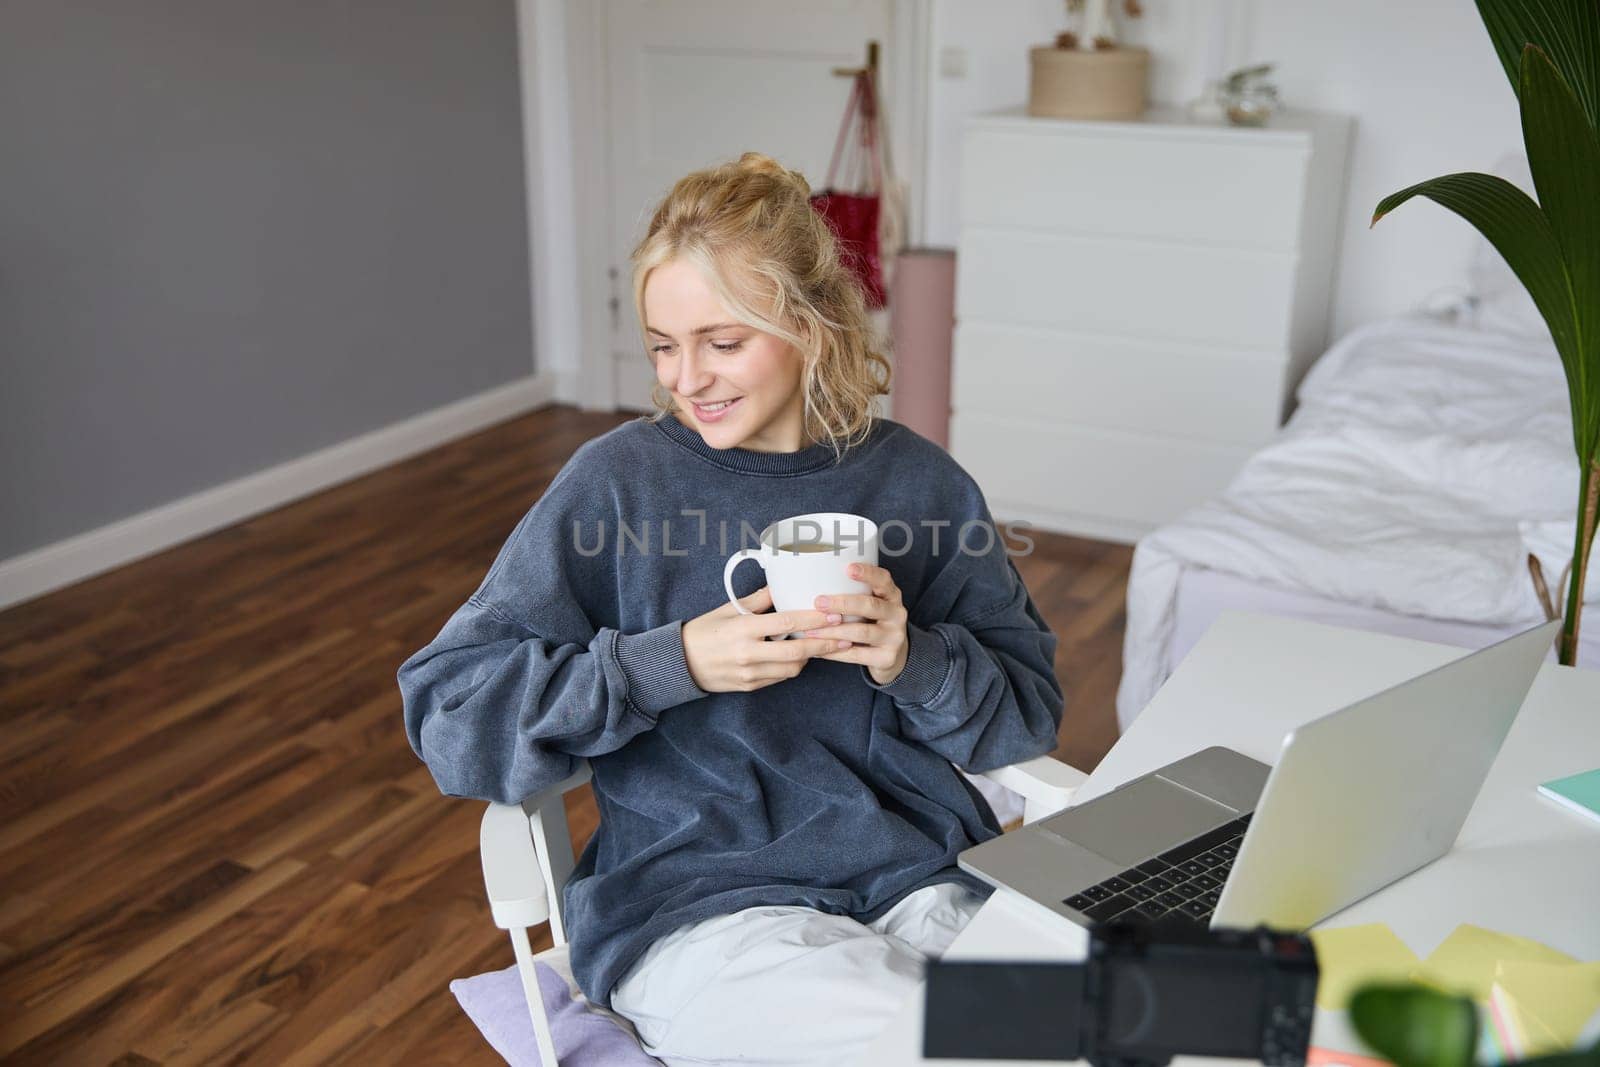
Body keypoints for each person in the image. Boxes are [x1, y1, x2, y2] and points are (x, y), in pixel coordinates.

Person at [398, 152, 1064, 1066]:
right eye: (664, 345)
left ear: (813, 324)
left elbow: (1028, 710)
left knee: (1087, 1026)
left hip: (915, 876)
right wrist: (668, 665)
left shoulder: (918, 483)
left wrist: (914, 657)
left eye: (723, 341)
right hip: (700, 905)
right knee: (942, 1046)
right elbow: (448, 708)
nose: (686, 379)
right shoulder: (619, 484)